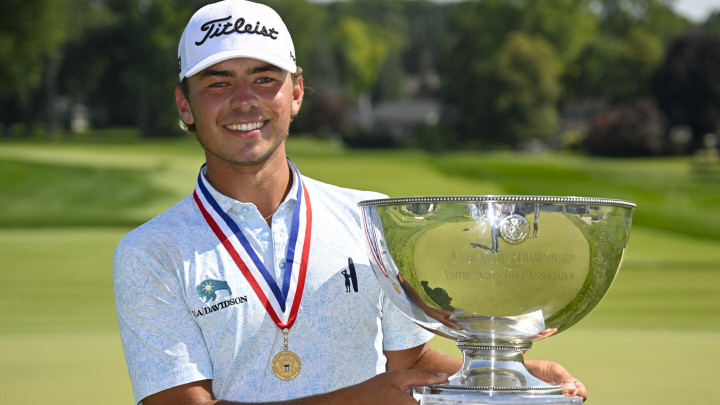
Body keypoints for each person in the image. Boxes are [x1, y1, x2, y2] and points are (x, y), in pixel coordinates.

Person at [113, 1, 587, 404]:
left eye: (264, 79)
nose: (244, 100)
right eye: (218, 83)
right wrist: (359, 400)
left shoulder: (369, 218)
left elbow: (411, 362)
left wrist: (508, 381)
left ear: (295, 92)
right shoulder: (151, 251)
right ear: (184, 105)